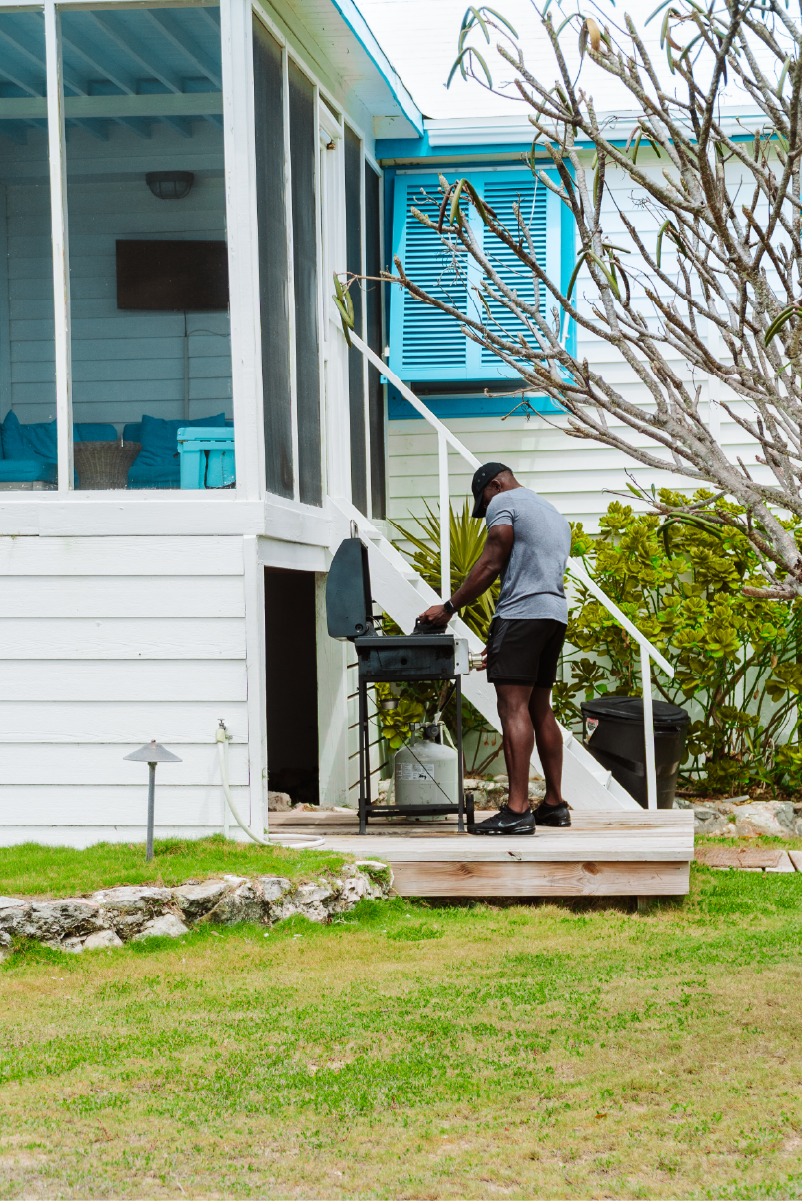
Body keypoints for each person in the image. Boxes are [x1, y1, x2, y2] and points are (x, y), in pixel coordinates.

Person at [418, 462, 572, 835]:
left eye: (483, 504)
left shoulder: (506, 503)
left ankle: (517, 810)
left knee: (512, 707)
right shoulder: (552, 512)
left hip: (521, 616)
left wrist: (449, 608)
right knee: (540, 707)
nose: (485, 513)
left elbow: (491, 561)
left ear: (494, 485)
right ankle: (554, 805)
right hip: (554, 617)